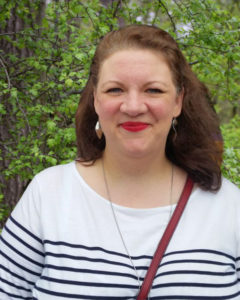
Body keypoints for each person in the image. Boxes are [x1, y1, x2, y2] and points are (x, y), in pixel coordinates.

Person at [0, 24, 240, 299]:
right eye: (115, 90)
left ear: (178, 101)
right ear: (96, 100)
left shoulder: (229, 206)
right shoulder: (49, 195)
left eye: (153, 90)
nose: (134, 106)